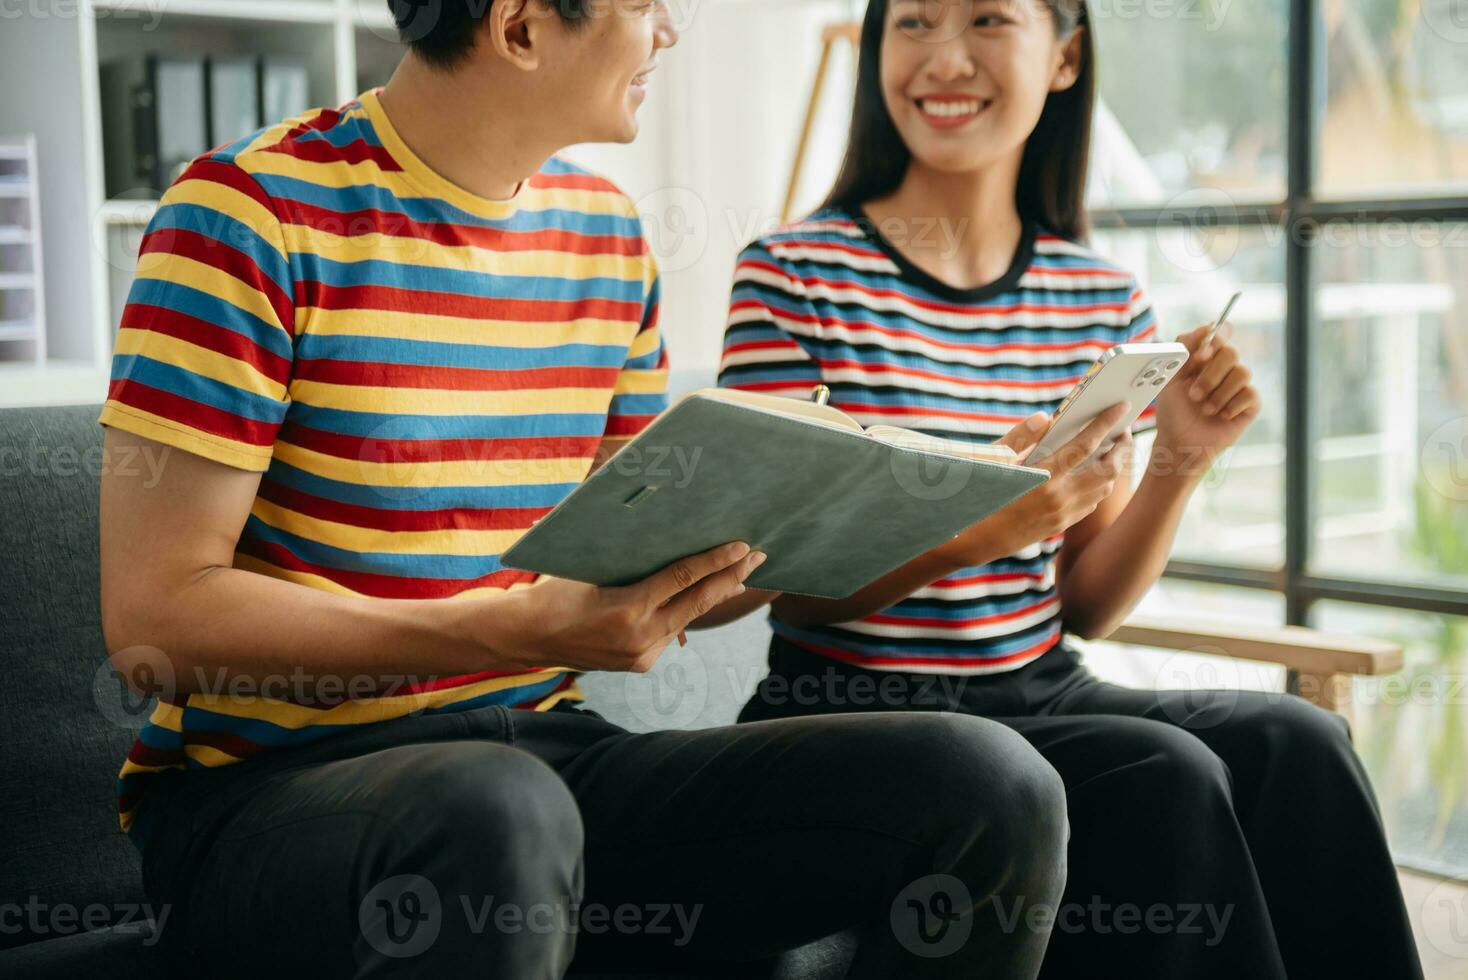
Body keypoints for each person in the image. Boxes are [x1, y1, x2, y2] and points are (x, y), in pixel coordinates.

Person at [97, 1, 1074, 976]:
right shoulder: (246, 210)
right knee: (495, 807)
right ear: (521, 29)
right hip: (268, 799)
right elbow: (157, 619)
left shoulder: (605, 237)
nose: (669, 34)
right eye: (647, 6)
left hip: (545, 761)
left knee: (984, 782)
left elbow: (642, 566)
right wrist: (503, 628)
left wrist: (865, 506)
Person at [719, 1, 1423, 977]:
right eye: (912, 22)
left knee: (1298, 738)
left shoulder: (1098, 296)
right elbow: (777, 580)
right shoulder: (791, 275)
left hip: (1041, 686)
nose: (943, 57)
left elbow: (1087, 605)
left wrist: (1182, 453)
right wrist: (973, 527)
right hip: (846, 705)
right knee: (1166, 772)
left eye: (987, 20)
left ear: (1064, 58)